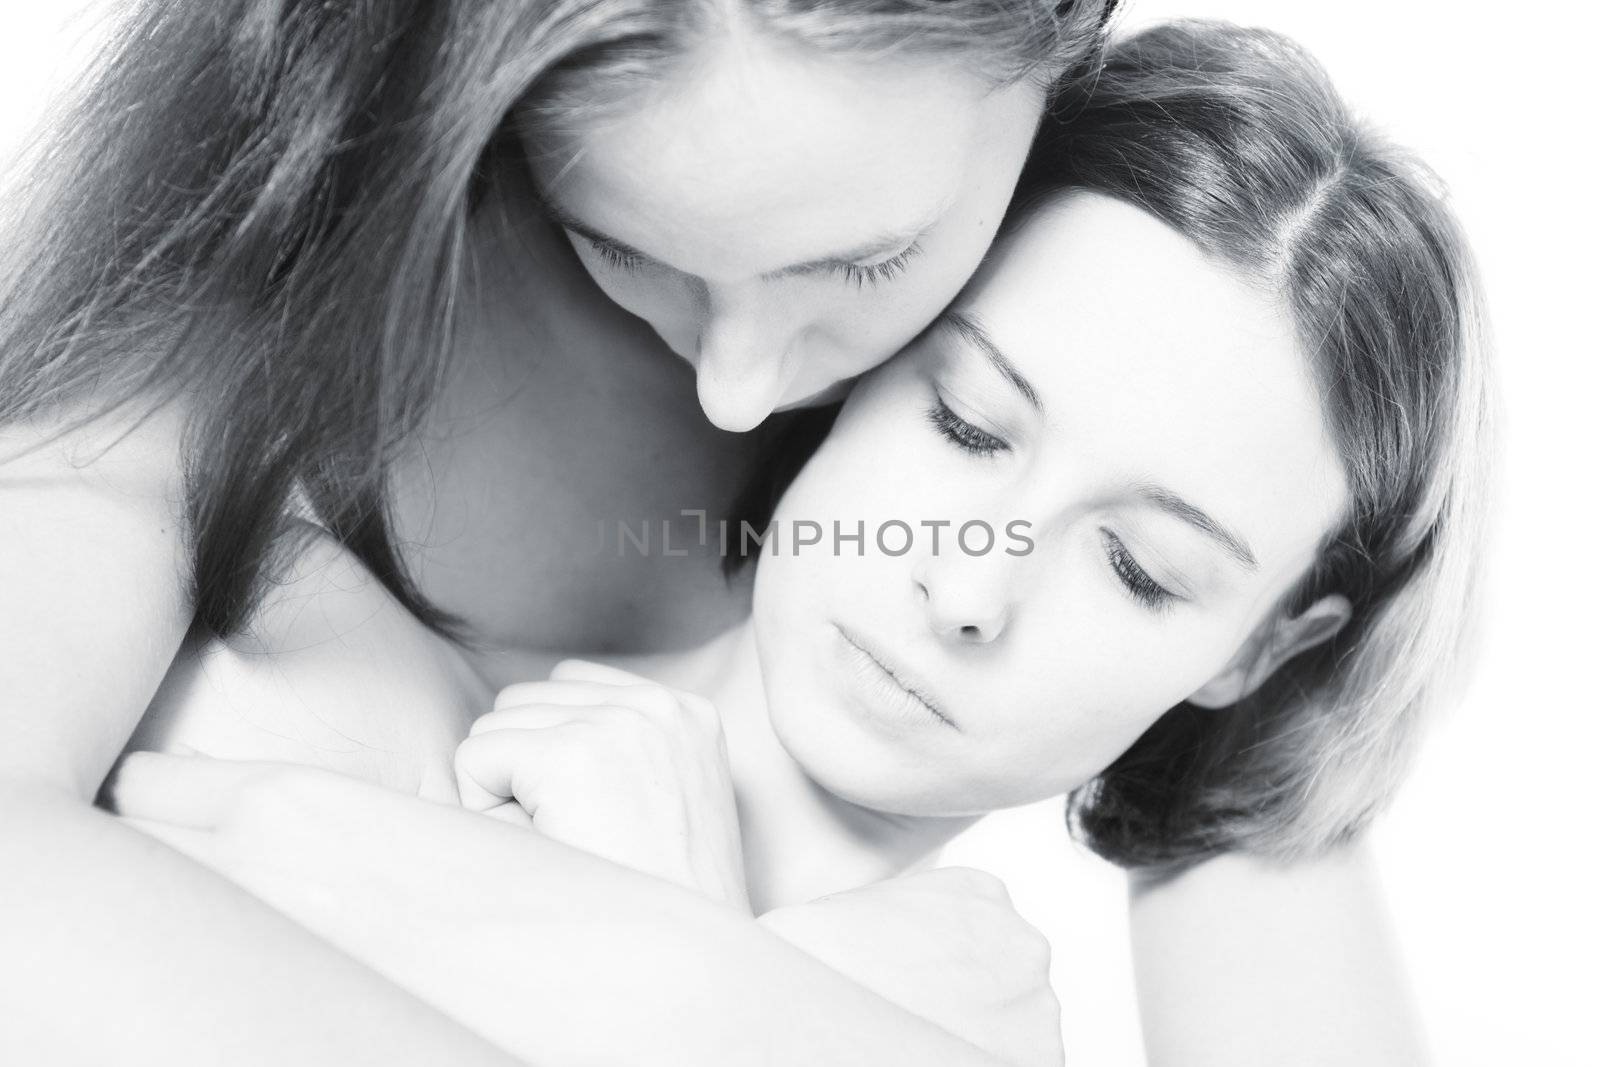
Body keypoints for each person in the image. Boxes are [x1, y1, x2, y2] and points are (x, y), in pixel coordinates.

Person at [108, 20, 1493, 1067]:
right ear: (861, 360)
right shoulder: (279, 594)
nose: (966, 588)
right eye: (963, 424)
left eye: (1136, 568)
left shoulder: (967, 1010)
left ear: (1259, 650)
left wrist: (666, 949)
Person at [0, 1, 1120, 1063]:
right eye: (623, 245)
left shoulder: (1194, 332)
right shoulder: (230, 311)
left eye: (864, 263)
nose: (738, 386)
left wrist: (673, 979)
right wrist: (734, 1005)